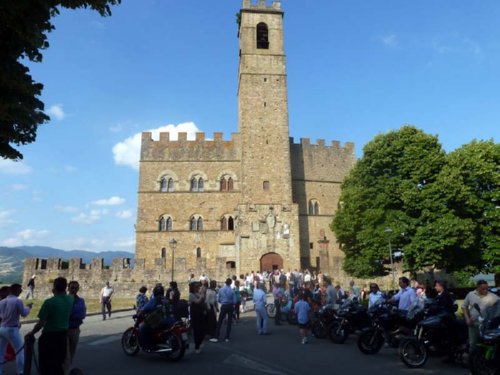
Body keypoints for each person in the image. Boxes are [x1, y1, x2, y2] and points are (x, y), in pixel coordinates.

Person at [26, 277, 73, 375]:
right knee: (58, 363)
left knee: (46, 364)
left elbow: (41, 323)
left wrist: (32, 332)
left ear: (54, 287)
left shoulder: (49, 302)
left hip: (49, 336)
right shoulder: (70, 299)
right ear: (65, 287)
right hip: (62, 336)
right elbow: (68, 295)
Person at [0, 283, 32, 375]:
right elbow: (24, 314)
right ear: (17, 290)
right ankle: (20, 371)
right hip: (12, 329)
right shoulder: (17, 301)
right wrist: (28, 308)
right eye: (20, 290)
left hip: (2, 328)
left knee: (1, 351)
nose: (21, 291)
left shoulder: (1, 302)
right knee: (19, 351)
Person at [462, 279, 499, 348]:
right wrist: (467, 319)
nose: (485, 290)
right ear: (477, 288)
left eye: (486, 289)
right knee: (473, 345)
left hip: (487, 326)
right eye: (483, 289)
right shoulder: (470, 294)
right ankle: (472, 358)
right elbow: (464, 307)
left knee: (486, 346)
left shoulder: (493, 297)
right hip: (474, 325)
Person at [138, 284, 175, 351]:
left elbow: (144, 309)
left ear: (155, 292)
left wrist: (139, 314)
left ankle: (148, 346)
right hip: (172, 321)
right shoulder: (167, 299)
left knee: (142, 327)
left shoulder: (154, 300)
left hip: (161, 322)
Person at [66, 280, 86, 372]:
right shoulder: (64, 299)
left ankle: (68, 368)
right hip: (64, 330)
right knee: (65, 354)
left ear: (78, 289)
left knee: (72, 351)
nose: (73, 289)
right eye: (72, 287)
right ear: (68, 288)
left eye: (75, 287)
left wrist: (71, 315)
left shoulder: (81, 300)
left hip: (75, 329)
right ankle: (65, 370)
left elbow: (82, 314)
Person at [210, 278, 235, 343]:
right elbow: (234, 301)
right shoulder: (232, 291)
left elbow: (218, 299)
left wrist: (222, 301)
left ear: (225, 282)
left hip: (224, 306)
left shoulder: (221, 290)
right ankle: (227, 337)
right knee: (229, 322)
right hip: (230, 306)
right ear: (230, 283)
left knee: (220, 321)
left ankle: (216, 336)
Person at [188, 282, 206, 354]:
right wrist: (202, 295)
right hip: (195, 314)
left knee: (203, 330)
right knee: (197, 331)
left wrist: (203, 293)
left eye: (198, 287)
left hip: (201, 313)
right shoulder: (191, 295)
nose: (198, 288)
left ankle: (199, 343)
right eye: (196, 287)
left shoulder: (197, 293)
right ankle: (197, 346)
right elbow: (198, 302)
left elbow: (203, 299)